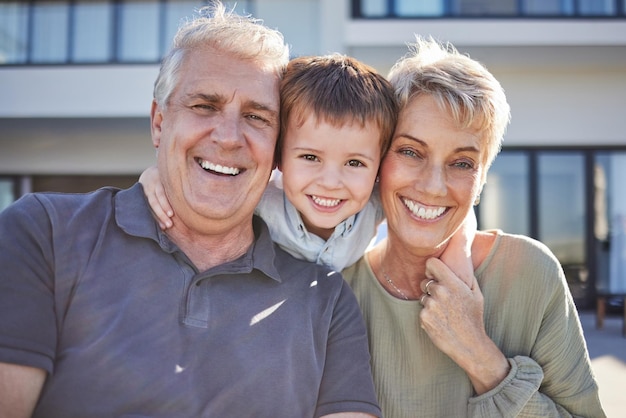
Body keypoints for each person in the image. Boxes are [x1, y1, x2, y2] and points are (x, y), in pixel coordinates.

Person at [0, 3, 381, 417]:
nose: (230, 137)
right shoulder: (45, 232)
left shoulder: (326, 299)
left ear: (277, 151)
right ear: (159, 122)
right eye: (204, 106)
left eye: (256, 116)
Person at [341, 36, 606, 417]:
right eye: (411, 152)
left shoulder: (530, 272)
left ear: (481, 181)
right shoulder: (339, 288)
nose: (433, 186)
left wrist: (481, 357)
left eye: (462, 163)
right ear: (379, 159)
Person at [140, 53, 475, 275]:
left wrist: (459, 253)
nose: (330, 182)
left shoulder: (375, 203)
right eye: (310, 158)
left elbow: (446, 207)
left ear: (379, 168)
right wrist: (155, 177)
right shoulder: (260, 201)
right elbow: (205, 183)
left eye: (355, 163)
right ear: (279, 158)